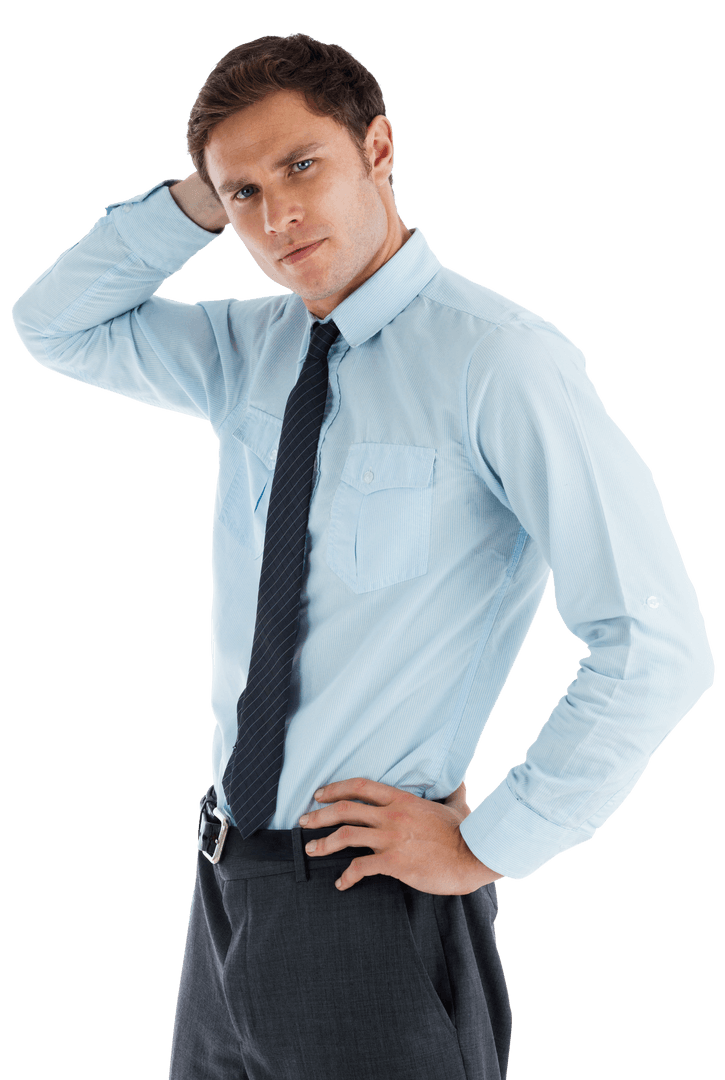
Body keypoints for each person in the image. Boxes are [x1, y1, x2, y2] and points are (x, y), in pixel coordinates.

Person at [10, 31, 714, 1080]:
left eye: (301, 166)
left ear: (377, 150)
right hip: (221, 896)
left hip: (368, 905)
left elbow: (654, 643)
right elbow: (53, 325)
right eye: (243, 194)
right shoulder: (245, 348)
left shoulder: (499, 362)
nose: (277, 214)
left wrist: (493, 842)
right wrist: (199, 197)